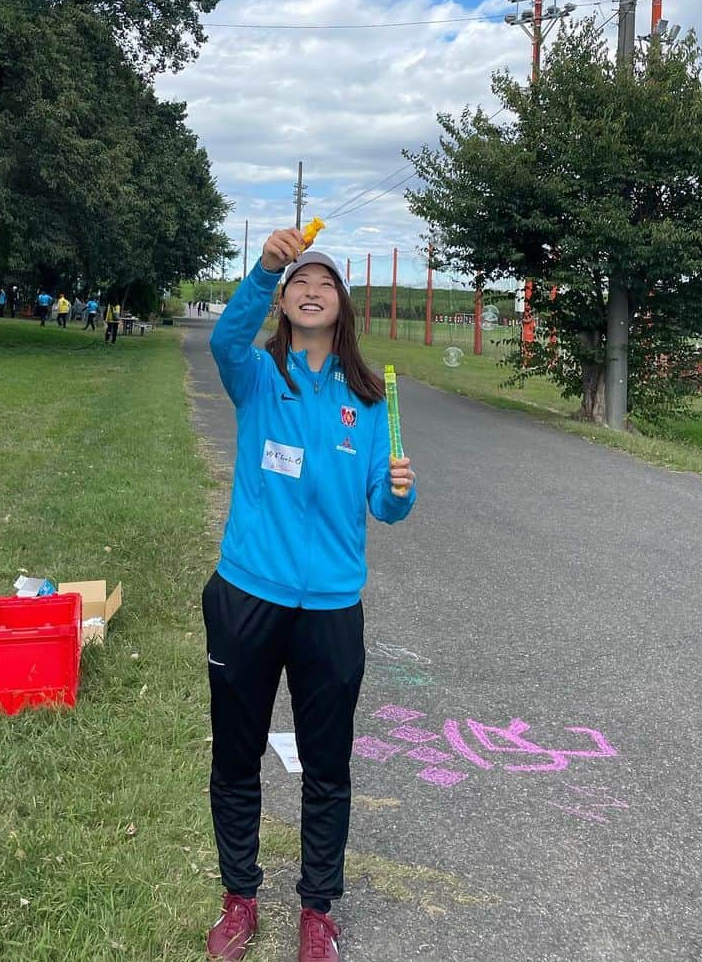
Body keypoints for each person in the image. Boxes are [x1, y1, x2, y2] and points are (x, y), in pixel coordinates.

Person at [203, 228, 417, 962]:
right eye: (300, 281)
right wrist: (264, 266)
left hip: (331, 609)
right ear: (286, 303)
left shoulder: (368, 398)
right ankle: (239, 898)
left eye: (325, 282)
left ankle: (316, 910)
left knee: (327, 766)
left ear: (342, 306)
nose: (313, 287)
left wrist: (397, 495)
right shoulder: (258, 377)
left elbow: (382, 509)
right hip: (245, 596)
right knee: (236, 759)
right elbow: (226, 335)